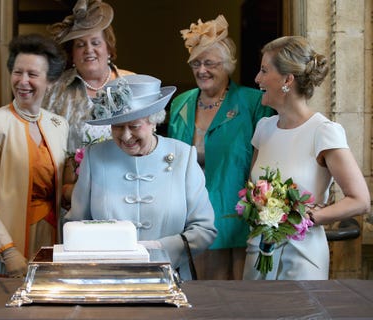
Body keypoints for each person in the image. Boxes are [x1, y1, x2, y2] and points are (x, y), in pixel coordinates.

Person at [66, 74, 217, 280]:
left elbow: (204, 230)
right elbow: (76, 225)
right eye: (117, 126)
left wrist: (159, 250)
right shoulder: (95, 157)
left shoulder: (184, 157)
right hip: (107, 280)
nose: (126, 136)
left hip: (169, 278)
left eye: (134, 126)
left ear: (154, 121)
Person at [244, 36, 371, 280]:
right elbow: (252, 191)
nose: (257, 79)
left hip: (301, 258)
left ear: (287, 80)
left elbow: (360, 200)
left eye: (263, 70)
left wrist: (308, 216)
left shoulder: (323, 131)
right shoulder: (264, 128)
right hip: (258, 252)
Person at [168, 15, 275, 280]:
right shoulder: (181, 103)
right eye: (196, 63)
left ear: (227, 66)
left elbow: (266, 160)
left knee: (231, 296)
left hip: (235, 217)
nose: (201, 70)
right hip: (189, 216)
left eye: (209, 63)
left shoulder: (253, 102)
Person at [0, 34, 68, 278]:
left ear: (51, 81)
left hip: (52, 243)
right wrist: (7, 250)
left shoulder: (59, 125)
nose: (23, 81)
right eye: (17, 72)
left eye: (32, 75)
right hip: (7, 249)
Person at [44, 0, 134, 208]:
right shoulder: (55, 90)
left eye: (95, 42)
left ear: (109, 48)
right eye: (80, 44)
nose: (88, 50)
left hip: (125, 195)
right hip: (70, 198)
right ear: (73, 53)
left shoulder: (132, 84)